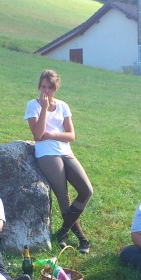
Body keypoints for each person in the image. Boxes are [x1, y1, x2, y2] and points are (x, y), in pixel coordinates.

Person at [25, 69, 93, 254]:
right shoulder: (33, 106)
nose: (45, 91)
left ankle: (62, 232)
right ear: (39, 86)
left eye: (49, 88)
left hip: (65, 152)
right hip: (47, 154)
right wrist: (44, 109)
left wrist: (53, 134)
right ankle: (82, 238)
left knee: (86, 190)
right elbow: (38, 135)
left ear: (56, 89)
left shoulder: (63, 106)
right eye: (43, 87)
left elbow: (71, 135)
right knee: (63, 196)